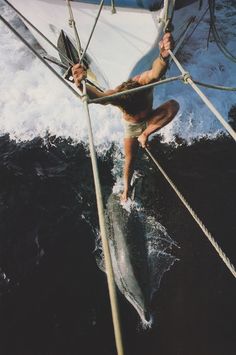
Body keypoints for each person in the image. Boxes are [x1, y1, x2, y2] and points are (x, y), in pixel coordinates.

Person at [72, 33, 179, 202]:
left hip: (151, 119)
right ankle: (126, 189)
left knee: (173, 105)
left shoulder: (144, 82)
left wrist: (163, 56)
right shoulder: (119, 96)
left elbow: (156, 72)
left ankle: (145, 135)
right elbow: (98, 98)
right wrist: (79, 85)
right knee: (130, 158)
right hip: (132, 127)